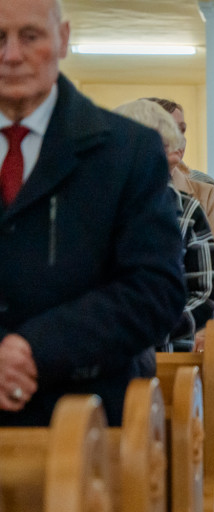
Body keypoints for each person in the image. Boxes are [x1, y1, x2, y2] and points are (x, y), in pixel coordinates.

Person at [0, 0, 185, 425]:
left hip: (88, 416)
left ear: (62, 39)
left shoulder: (126, 150)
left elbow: (156, 289)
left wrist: (35, 349)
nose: (11, 56)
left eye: (30, 36)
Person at [113, 98, 214, 352]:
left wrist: (151, 330)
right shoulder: (91, 204)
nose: (172, 153)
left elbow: (205, 294)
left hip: (169, 351)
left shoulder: (187, 209)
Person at [148, 97, 214, 324]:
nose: (179, 138)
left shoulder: (204, 195)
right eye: (168, 128)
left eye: (182, 130)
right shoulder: (118, 192)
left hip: (191, 325)